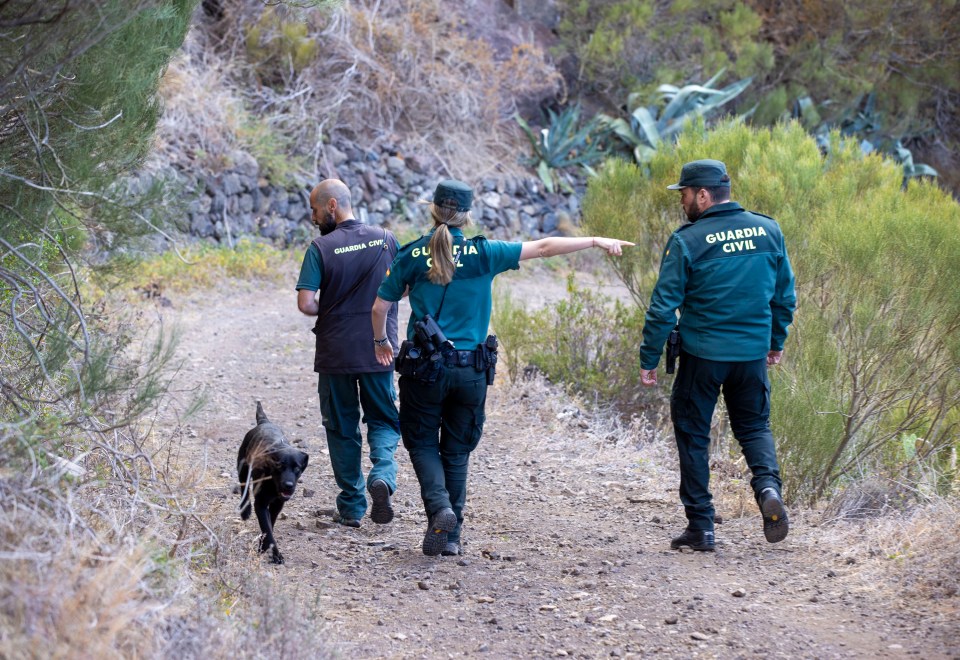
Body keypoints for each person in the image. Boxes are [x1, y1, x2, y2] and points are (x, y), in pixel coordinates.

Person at [371, 179, 633, 557]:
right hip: (471, 371)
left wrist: (382, 342)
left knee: (424, 443)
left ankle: (440, 510)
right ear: (467, 214)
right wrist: (595, 241)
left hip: (425, 371)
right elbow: (543, 247)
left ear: (433, 209)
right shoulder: (485, 252)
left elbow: (380, 307)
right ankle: (451, 536)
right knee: (457, 451)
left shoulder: (413, 255)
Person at [638, 159, 796, 551]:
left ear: (704, 195)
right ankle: (767, 489)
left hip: (703, 357)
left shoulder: (688, 240)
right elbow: (785, 297)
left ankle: (702, 527)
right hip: (751, 357)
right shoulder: (768, 230)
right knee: (755, 427)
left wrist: (649, 357)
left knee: (693, 436)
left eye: (686, 194)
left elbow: (662, 308)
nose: (683, 202)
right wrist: (775, 341)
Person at [296, 178, 402, 528]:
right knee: (384, 419)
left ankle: (353, 507)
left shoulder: (320, 248)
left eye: (314, 209)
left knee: (341, 426)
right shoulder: (387, 239)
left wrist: (331, 308)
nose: (312, 217)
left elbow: (306, 303)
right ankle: (383, 475)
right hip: (379, 350)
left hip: (335, 352)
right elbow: (402, 289)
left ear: (331, 206)